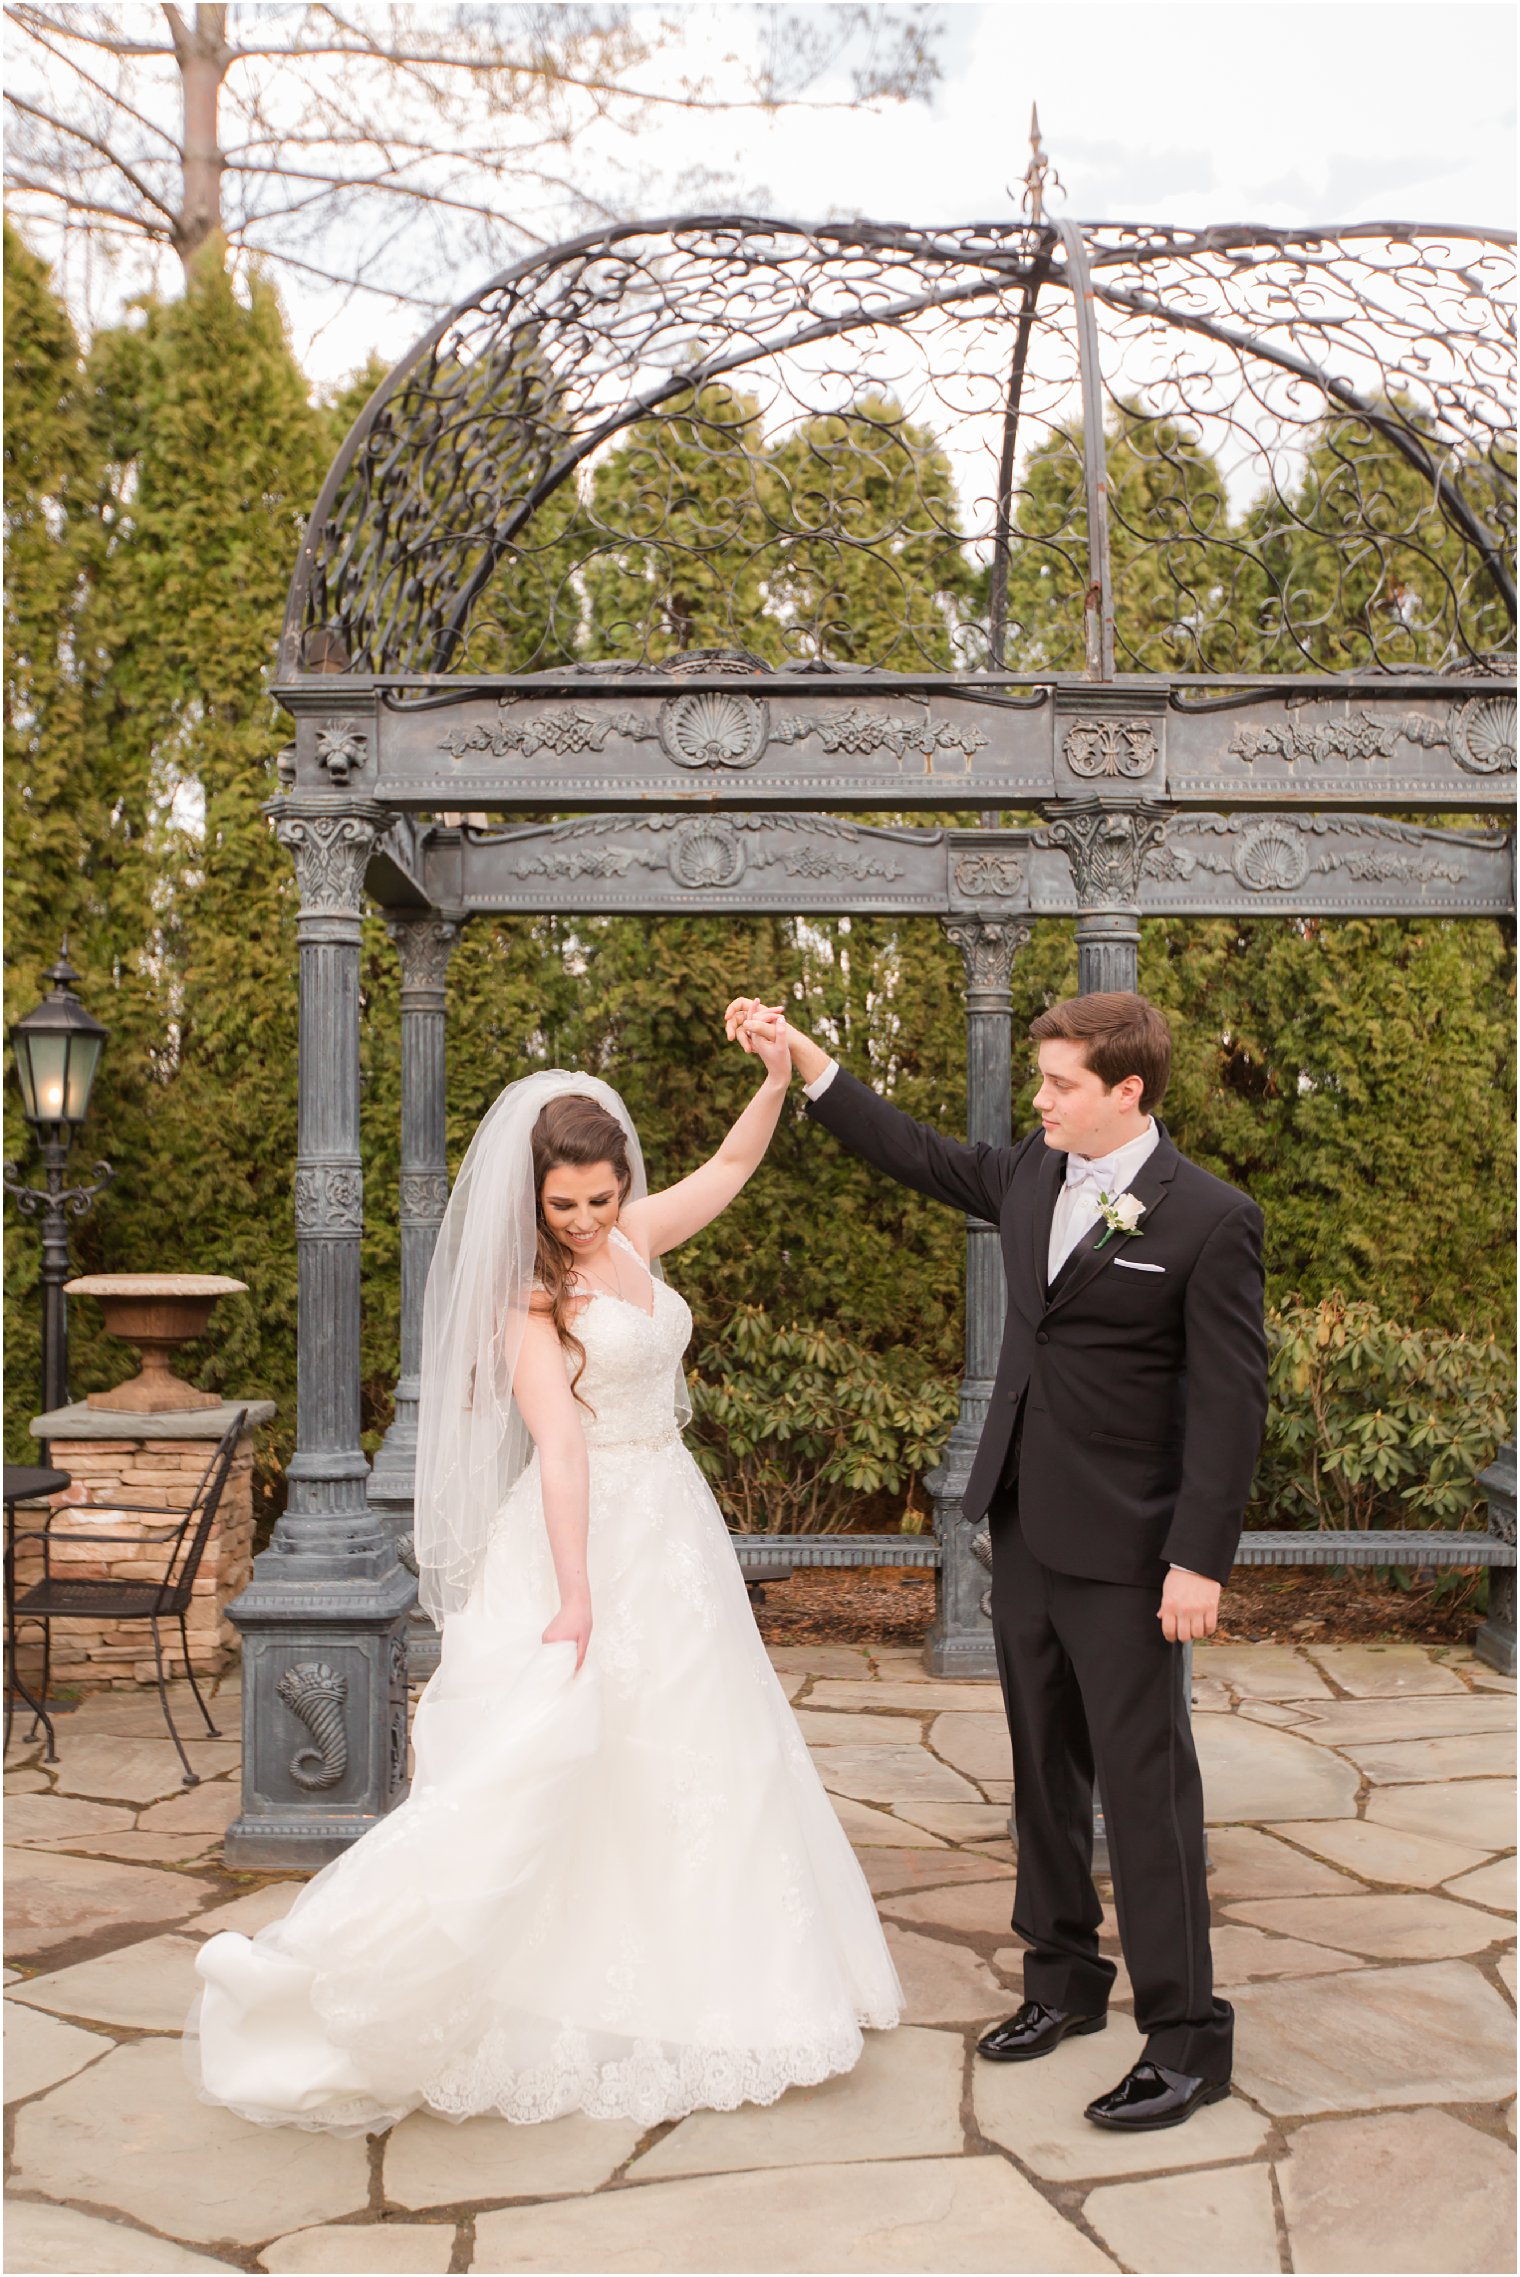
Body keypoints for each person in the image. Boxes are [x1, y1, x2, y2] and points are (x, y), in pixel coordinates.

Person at [188, 1050, 900, 2132]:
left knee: (702, 1750)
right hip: (584, 1533)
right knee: (551, 1757)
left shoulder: (635, 1239)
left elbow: (733, 1161)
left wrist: (772, 1073)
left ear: (622, 1181)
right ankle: (390, 1982)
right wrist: (573, 1596)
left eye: (598, 1197)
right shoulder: (534, 1300)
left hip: (673, 1523)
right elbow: (558, 1450)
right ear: (532, 1196)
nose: (580, 1218)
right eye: (560, 1202)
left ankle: (719, 1982)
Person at [727, 989, 1267, 2133]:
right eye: (1042, 1083)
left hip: (1131, 1556)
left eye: (1061, 1083)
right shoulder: (1031, 1172)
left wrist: (1195, 1561)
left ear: (1127, 1091)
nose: (1040, 1100)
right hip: (1020, 1529)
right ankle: (1062, 1985)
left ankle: (1184, 2042)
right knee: (1041, 1773)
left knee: (1146, 1791)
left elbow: (1228, 1407)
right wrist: (804, 1060)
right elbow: (914, 1153)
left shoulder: (1209, 1219)